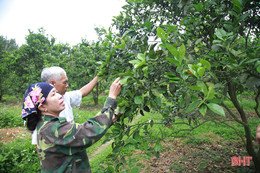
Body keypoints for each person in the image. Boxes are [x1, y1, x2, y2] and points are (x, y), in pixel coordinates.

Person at [22, 78, 122, 172]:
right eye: (53, 94)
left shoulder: (47, 125)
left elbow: (79, 131)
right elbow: (88, 131)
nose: (59, 96)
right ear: (42, 106)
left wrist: (109, 119)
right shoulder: (53, 129)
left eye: (56, 92)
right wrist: (111, 98)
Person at [32, 66, 100, 145]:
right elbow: (38, 143)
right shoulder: (42, 110)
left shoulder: (64, 96)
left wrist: (98, 76)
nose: (67, 85)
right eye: (64, 82)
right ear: (52, 83)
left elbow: (82, 92)